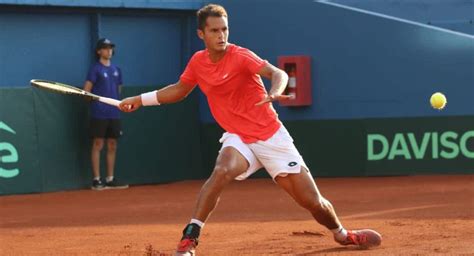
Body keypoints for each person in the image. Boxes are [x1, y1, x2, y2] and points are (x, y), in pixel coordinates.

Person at [119, 4, 381, 254]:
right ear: (201, 34)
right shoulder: (198, 63)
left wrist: (275, 92)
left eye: (225, 29)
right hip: (239, 136)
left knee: (313, 203)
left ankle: (342, 234)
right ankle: (190, 237)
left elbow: (278, 73)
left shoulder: (241, 55)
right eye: (214, 30)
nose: (221, 35)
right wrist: (140, 100)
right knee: (222, 170)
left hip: (271, 136)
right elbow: (179, 90)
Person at [84, 38, 128, 191]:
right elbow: (87, 90)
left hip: (114, 112)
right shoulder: (95, 69)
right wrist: (96, 104)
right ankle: (97, 180)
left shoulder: (116, 69)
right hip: (99, 113)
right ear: (99, 51)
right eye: (105, 48)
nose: (109, 51)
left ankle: (110, 178)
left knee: (112, 145)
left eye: (110, 48)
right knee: (98, 144)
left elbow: (119, 89)